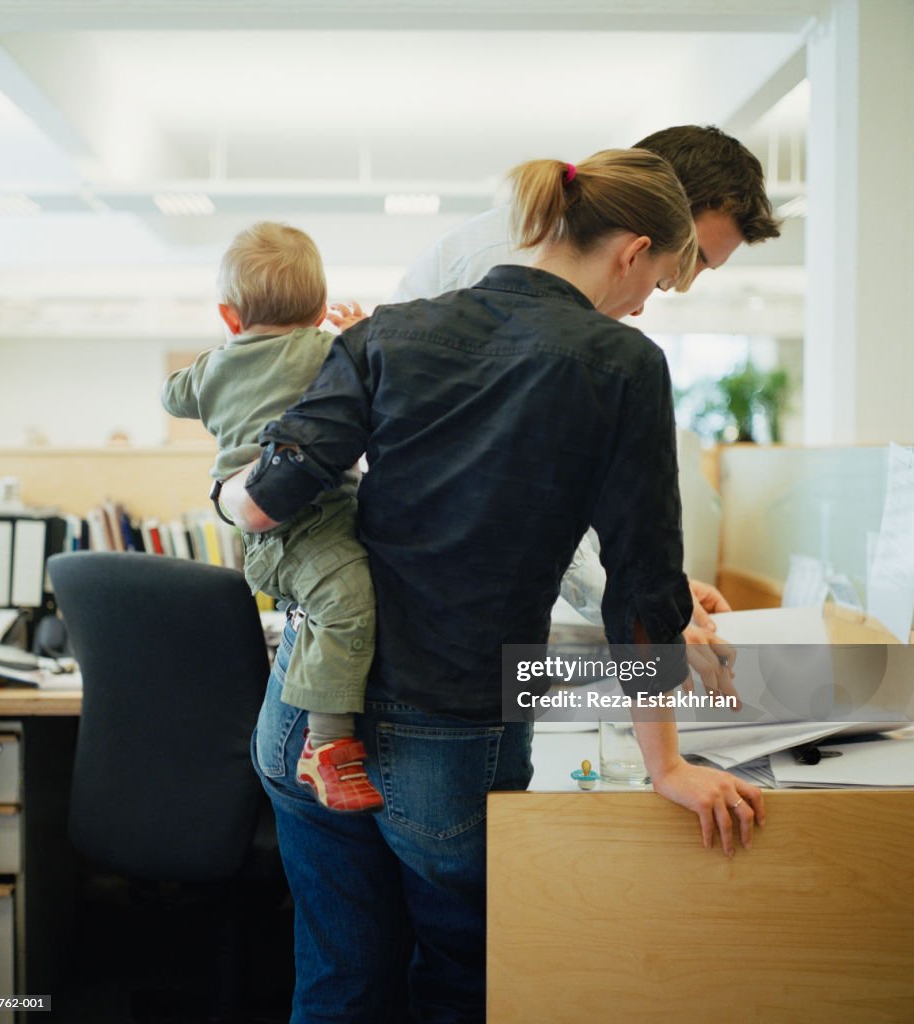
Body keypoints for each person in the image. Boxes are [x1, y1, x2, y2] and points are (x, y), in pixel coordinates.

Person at [223, 149, 766, 1023]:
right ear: (630, 250)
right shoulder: (620, 364)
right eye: (660, 281)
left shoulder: (385, 332)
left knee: (339, 979)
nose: (644, 303)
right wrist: (664, 764)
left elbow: (269, 494)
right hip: (443, 734)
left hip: (305, 721)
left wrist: (227, 491)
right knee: (458, 982)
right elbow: (643, 582)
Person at [394, 124, 783, 691]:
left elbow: (561, 481)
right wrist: (652, 614)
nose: (680, 284)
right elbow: (519, 485)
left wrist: (659, 591)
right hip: (438, 620)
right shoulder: (519, 280)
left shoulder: (566, 288)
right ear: (655, 214)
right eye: (693, 259)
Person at [161, 220, 383, 813]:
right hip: (303, 527)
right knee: (347, 602)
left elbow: (172, 395)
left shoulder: (216, 364)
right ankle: (327, 744)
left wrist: (225, 355)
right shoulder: (323, 349)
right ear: (319, 311)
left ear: (230, 315)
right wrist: (360, 329)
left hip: (268, 534)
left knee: (335, 600)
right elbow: (382, 369)